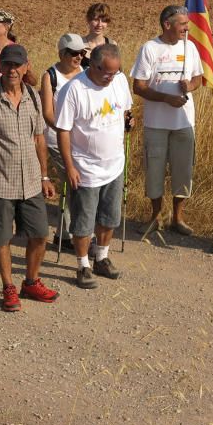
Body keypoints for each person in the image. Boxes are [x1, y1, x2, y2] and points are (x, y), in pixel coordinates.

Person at [0, 44, 59, 311]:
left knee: (40, 235)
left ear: (26, 67)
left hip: (32, 180)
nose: (12, 69)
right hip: (0, 182)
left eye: (17, 65)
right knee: (1, 238)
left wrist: (45, 176)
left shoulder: (33, 96)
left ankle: (31, 281)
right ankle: (8, 287)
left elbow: (39, 139)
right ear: (0, 66)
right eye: (7, 64)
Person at [55, 43, 134, 289]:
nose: (111, 77)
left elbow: (125, 111)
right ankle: (82, 265)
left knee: (110, 217)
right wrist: (70, 166)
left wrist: (128, 121)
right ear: (95, 66)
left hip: (114, 164)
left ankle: (101, 257)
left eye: (115, 72)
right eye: (107, 73)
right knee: (83, 221)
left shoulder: (119, 82)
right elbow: (63, 131)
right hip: (85, 167)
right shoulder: (74, 89)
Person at [130, 5, 204, 237]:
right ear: (167, 25)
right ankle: (155, 217)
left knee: (183, 170)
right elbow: (138, 86)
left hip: (184, 123)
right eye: (183, 24)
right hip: (156, 123)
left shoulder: (189, 47)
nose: (187, 29)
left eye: (187, 25)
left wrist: (189, 86)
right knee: (155, 170)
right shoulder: (150, 49)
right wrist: (165, 98)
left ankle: (178, 218)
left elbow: (198, 78)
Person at [39, 33, 86, 246]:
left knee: (75, 183)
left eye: (81, 53)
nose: (78, 57)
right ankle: (67, 233)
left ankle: (66, 232)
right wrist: (63, 131)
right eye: (73, 53)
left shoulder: (86, 72)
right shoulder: (51, 76)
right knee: (72, 181)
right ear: (61, 53)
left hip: (81, 139)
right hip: (56, 137)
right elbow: (48, 112)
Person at [80, 2, 117, 69]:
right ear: (88, 20)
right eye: (96, 20)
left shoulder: (112, 45)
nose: (99, 24)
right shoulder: (78, 44)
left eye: (103, 21)